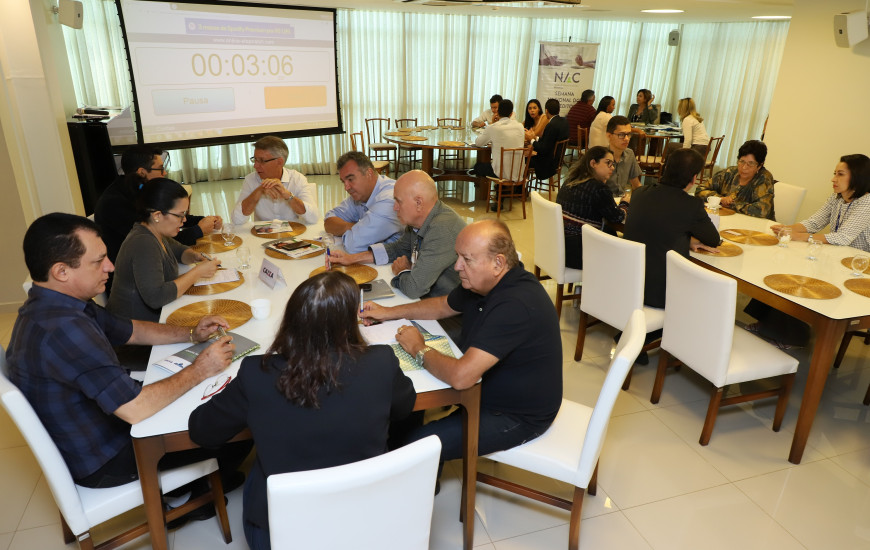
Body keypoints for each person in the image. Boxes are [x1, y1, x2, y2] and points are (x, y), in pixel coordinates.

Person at [7, 213, 249, 499]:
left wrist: (191, 334)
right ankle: (199, 493)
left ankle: (194, 485)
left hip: (100, 427)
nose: (109, 267)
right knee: (240, 426)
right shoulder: (64, 329)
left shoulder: (55, 303)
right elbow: (135, 408)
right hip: (107, 458)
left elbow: (130, 330)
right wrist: (201, 368)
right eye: (98, 262)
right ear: (62, 271)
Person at [189, 271, 415, 550]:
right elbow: (405, 408)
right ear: (348, 323)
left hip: (280, 528)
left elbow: (203, 431)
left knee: (258, 470)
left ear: (291, 320)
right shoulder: (381, 362)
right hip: (360, 516)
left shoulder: (257, 372)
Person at [361, 220, 562, 465]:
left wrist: (417, 347)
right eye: (458, 257)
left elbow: (461, 376)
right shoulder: (486, 281)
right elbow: (443, 305)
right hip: (486, 388)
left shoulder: (515, 305)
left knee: (413, 445)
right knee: (405, 410)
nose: (457, 267)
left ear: (498, 263)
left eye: (466, 259)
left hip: (515, 415)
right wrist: (388, 312)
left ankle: (415, 488)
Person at [745, 154, 870, 349]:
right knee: (785, 267)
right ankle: (768, 323)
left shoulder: (867, 203)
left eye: (840, 174)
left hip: (858, 267)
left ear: (857, 177)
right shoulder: (837, 198)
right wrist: (787, 229)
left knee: (799, 274)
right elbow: (814, 222)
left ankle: (794, 337)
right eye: (834, 173)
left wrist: (799, 236)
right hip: (837, 257)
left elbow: (842, 238)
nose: (833, 179)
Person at [94, 145, 222, 288]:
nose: (165, 172)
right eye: (160, 169)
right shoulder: (115, 204)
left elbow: (169, 217)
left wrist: (203, 220)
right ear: (142, 172)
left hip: (151, 268)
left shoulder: (141, 188)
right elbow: (164, 239)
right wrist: (198, 230)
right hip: (132, 282)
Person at [329, 170, 466, 299]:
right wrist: (351, 259)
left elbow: (414, 288)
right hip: (429, 300)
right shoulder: (418, 221)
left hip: (450, 316)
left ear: (419, 203)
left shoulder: (442, 229)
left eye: (398, 201)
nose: (395, 207)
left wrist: (403, 271)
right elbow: (398, 249)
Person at [107, 178, 221, 323]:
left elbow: (179, 251)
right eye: (180, 215)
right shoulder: (144, 242)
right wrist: (197, 273)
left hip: (149, 321)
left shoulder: (153, 231)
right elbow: (157, 297)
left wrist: (195, 256)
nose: (184, 220)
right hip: (133, 331)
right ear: (157, 215)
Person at [623, 148, 721, 309]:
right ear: (694, 178)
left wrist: (684, 238)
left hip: (629, 284)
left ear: (666, 169)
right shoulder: (691, 205)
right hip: (662, 294)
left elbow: (657, 226)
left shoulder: (639, 193)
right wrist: (688, 238)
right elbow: (713, 240)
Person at [556, 146, 629, 269]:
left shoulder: (570, 180)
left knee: (609, 232)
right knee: (626, 252)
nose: (612, 168)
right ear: (593, 163)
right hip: (581, 253)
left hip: (561, 247)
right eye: (608, 163)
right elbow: (618, 218)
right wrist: (625, 203)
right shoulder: (598, 188)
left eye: (612, 164)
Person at [323, 151, 403, 253]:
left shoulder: (391, 198)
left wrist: (355, 231)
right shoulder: (360, 196)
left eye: (350, 179)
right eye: (343, 182)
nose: (346, 187)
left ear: (369, 173)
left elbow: (353, 245)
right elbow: (329, 222)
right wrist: (353, 227)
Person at [231, 136, 319, 225]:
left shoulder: (297, 179)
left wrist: (288, 196)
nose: (256, 166)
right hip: (262, 236)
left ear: (279, 162)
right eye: (255, 160)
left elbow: (313, 218)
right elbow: (237, 220)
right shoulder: (250, 180)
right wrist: (258, 191)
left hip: (292, 233)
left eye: (262, 161)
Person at [694, 140, 776, 219]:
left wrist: (731, 205)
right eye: (742, 161)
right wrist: (720, 199)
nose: (744, 167)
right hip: (728, 220)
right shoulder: (729, 173)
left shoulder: (764, 178)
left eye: (750, 164)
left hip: (757, 227)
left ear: (760, 165)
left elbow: (762, 210)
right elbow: (699, 190)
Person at [473, 99, 526, 180]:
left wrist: (492, 123)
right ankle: (504, 190)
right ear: (511, 113)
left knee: (478, 166)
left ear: (497, 112)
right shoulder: (520, 126)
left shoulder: (494, 127)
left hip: (500, 173)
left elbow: (478, 143)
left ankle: (490, 191)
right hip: (518, 173)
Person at [530, 98, 570, 181]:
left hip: (548, 163)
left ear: (546, 110)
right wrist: (536, 138)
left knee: (524, 159)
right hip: (557, 160)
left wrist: (531, 140)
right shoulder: (564, 121)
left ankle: (520, 188)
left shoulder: (551, 125)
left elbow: (543, 148)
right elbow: (549, 141)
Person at [604, 115, 643, 197]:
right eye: (621, 135)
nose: (626, 139)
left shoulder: (629, 154)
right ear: (609, 136)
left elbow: (636, 184)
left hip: (621, 200)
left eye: (628, 134)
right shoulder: (601, 157)